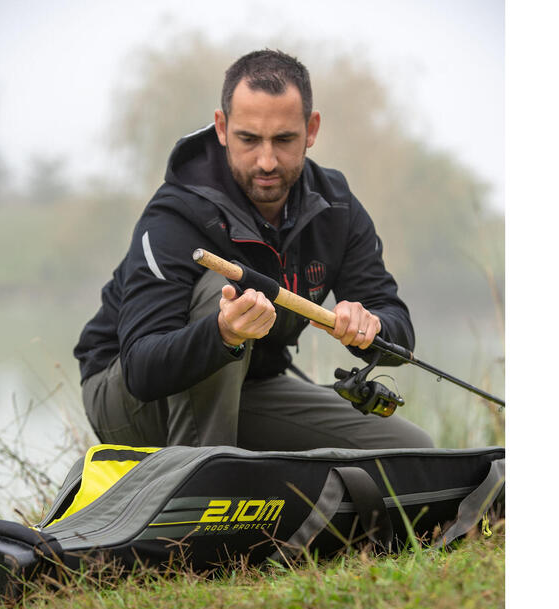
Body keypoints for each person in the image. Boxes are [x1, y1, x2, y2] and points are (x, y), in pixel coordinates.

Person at [74, 49, 433, 451]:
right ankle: (205, 500)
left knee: (411, 451)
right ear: (222, 127)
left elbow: (398, 330)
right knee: (221, 289)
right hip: (129, 398)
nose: (266, 161)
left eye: (284, 140)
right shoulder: (175, 215)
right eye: (249, 139)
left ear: (311, 129)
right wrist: (222, 333)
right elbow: (142, 368)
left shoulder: (338, 208)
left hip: (250, 387)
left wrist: (371, 327)